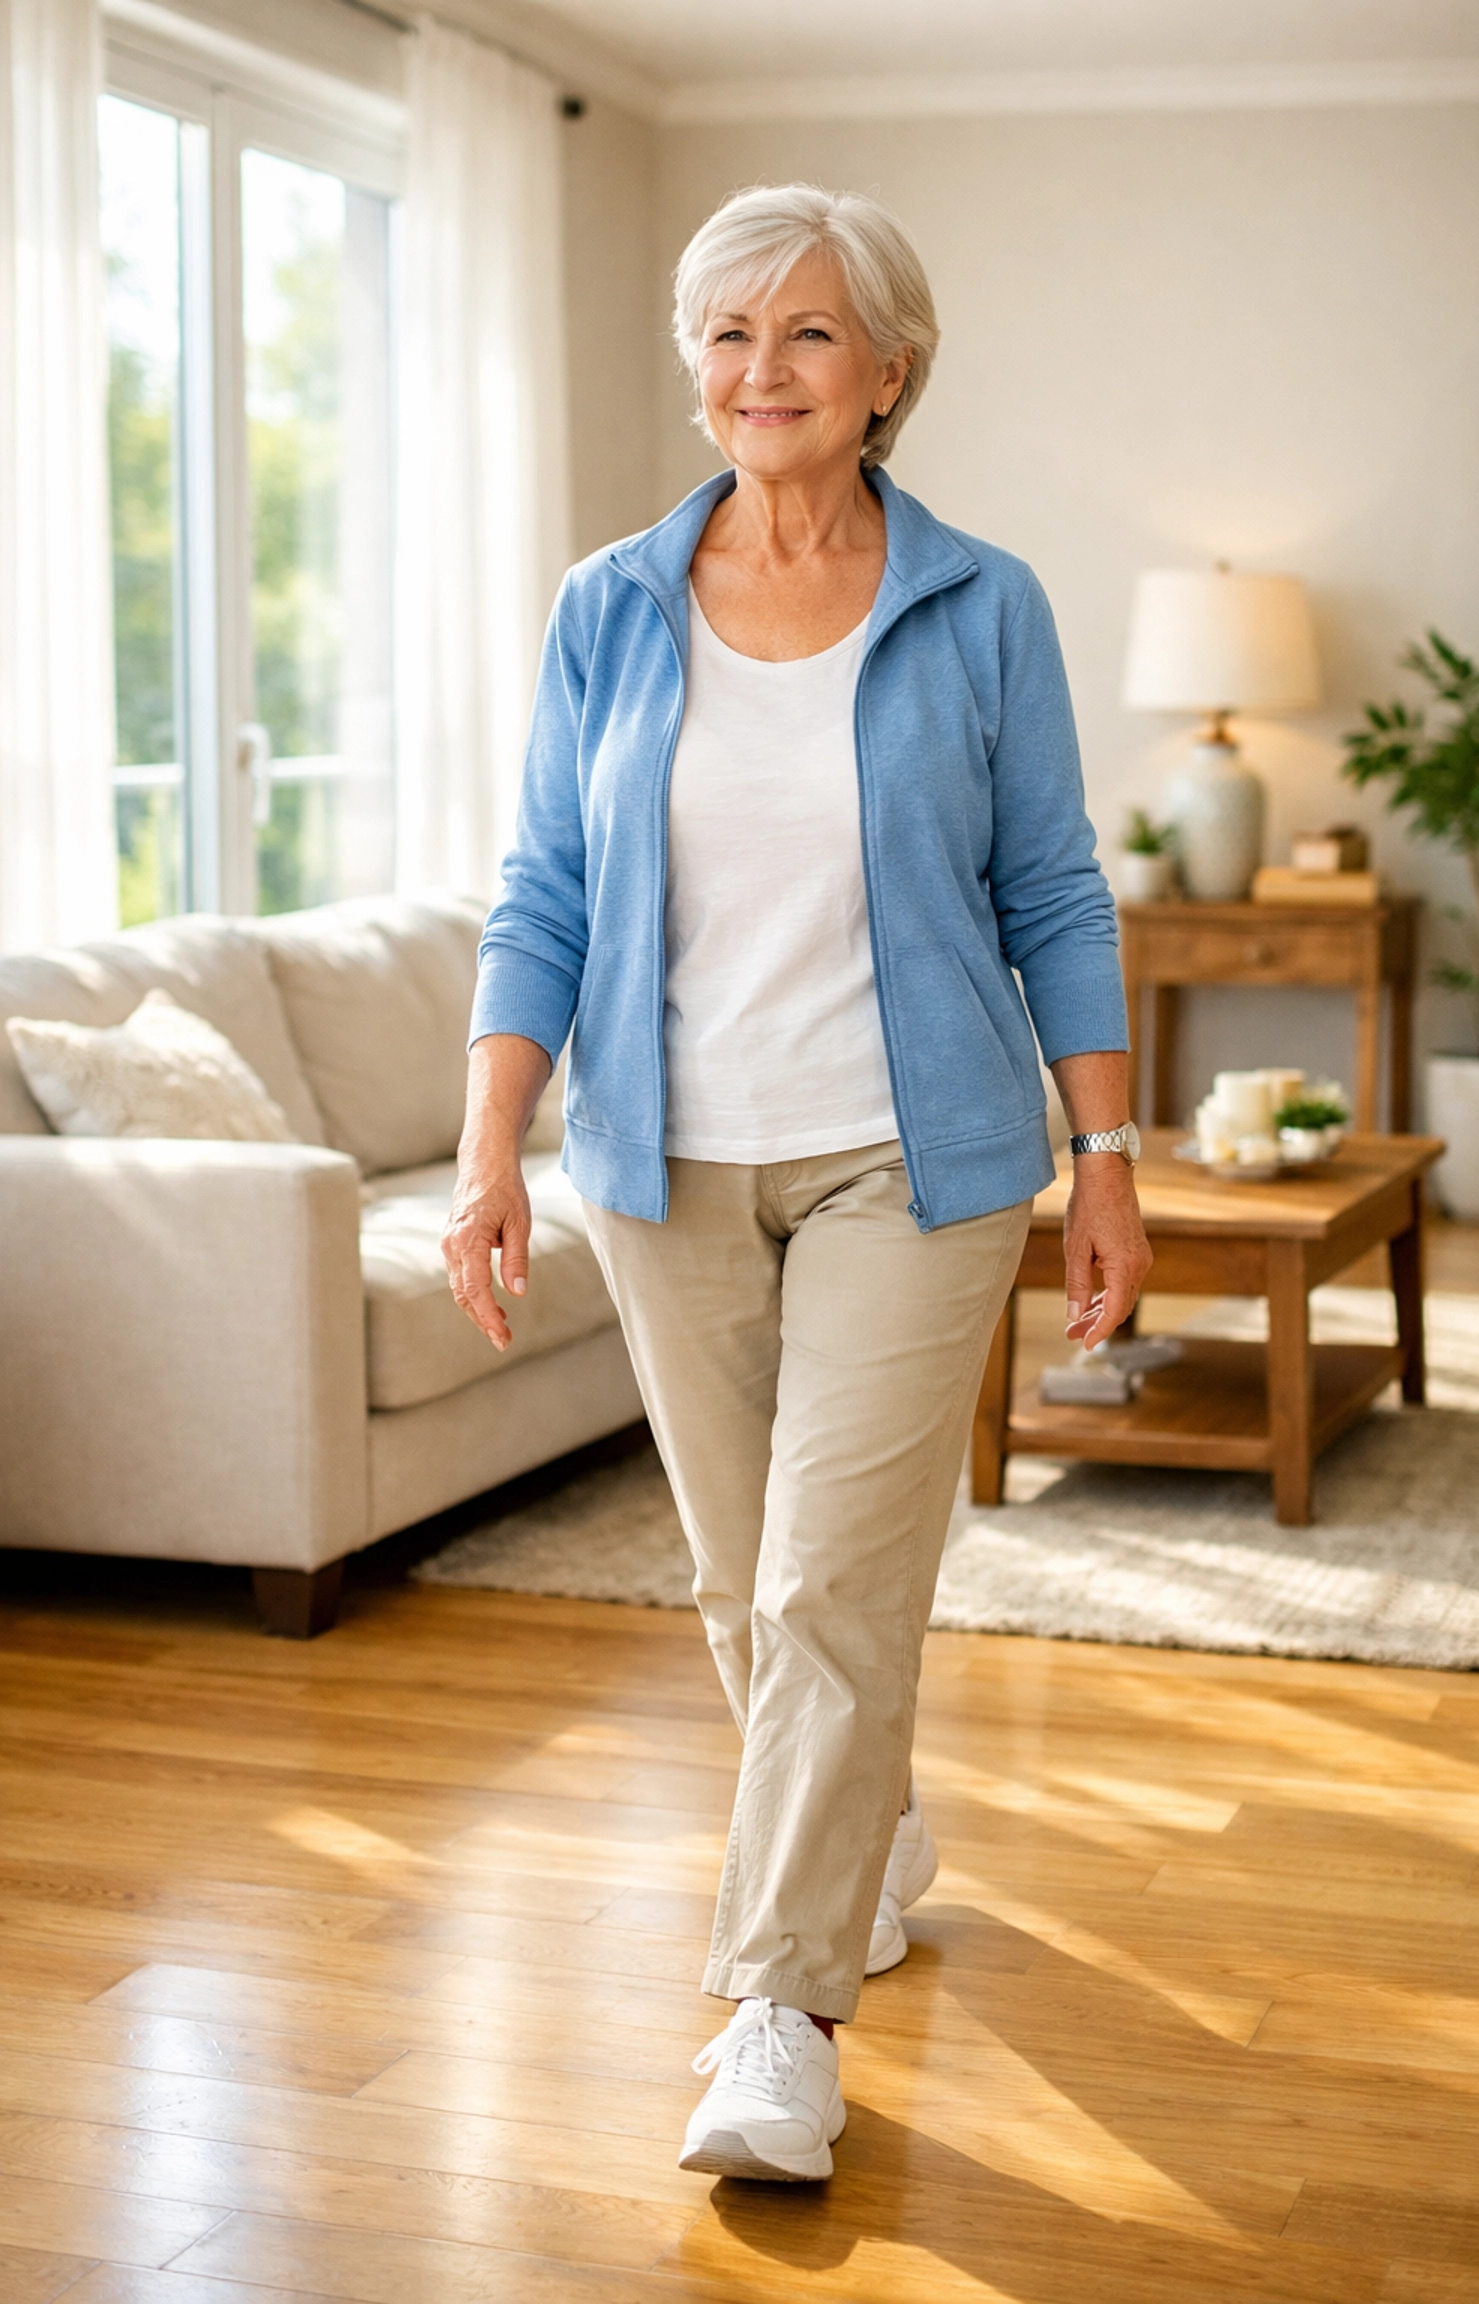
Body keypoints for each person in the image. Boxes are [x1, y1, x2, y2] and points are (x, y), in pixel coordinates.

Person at [443, 182, 1151, 2183]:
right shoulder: (609, 606)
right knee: (744, 1586)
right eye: (732, 334)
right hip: (661, 1161)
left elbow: (1053, 891)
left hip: (909, 1160)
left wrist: (1107, 1154)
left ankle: (780, 2016)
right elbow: (545, 896)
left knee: (835, 1581)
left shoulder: (980, 602)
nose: (762, 372)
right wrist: (495, 1146)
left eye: (810, 335)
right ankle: (866, 1843)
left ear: (890, 375)